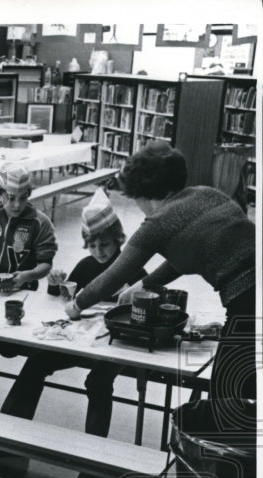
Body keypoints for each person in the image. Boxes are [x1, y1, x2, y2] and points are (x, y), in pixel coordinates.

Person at [66, 141, 256, 402]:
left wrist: (76, 304)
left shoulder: (159, 222)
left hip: (249, 298)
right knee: (233, 384)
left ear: (144, 193)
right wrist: (143, 284)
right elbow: (185, 257)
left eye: (135, 200)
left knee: (228, 391)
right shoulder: (206, 193)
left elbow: (113, 276)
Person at [0, 190, 144, 478]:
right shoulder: (85, 266)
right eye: (92, 244)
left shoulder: (134, 268)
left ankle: (91, 467)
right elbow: (65, 300)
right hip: (81, 339)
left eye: (104, 244)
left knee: (97, 382)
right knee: (37, 362)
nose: (98, 250)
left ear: (119, 239)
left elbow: (143, 308)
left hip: (117, 344)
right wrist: (56, 286)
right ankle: (2, 440)